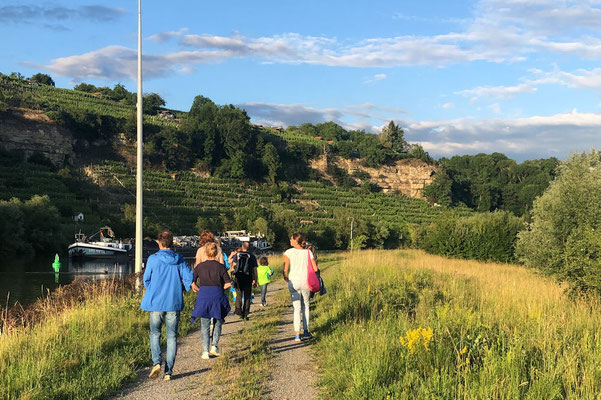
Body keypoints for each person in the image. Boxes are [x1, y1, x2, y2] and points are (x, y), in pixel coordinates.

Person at [140, 230, 193, 381]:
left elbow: (146, 280)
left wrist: (153, 291)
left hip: (156, 303)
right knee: (172, 337)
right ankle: (168, 372)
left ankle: (156, 362)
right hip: (173, 302)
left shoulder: (152, 259)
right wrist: (185, 288)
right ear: (172, 243)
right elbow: (189, 277)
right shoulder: (179, 259)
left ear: (158, 243)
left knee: (155, 333)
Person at [190, 242, 232, 359]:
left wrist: (196, 287)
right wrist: (220, 288)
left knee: (205, 324)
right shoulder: (220, 267)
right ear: (217, 253)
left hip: (203, 295)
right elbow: (228, 283)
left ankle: (205, 351)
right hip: (217, 295)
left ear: (205, 252)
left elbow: (192, 282)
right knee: (218, 320)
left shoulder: (199, 267)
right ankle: (214, 346)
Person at [283, 232, 318, 342]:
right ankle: (306, 332)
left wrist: (286, 277)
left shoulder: (288, 252)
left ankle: (297, 335)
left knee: (296, 308)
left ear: (295, 240)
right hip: (306, 281)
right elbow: (315, 269)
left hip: (294, 281)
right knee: (306, 306)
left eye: (291, 239)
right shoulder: (308, 253)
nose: (290, 241)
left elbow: (285, 269)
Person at [233, 241, 258, 320]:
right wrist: (255, 280)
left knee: (239, 295)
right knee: (247, 296)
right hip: (248, 278)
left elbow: (233, 267)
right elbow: (254, 270)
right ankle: (245, 313)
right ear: (249, 248)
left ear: (242, 246)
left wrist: (232, 277)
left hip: (238, 278)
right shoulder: (252, 256)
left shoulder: (236, 255)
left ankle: (238, 310)